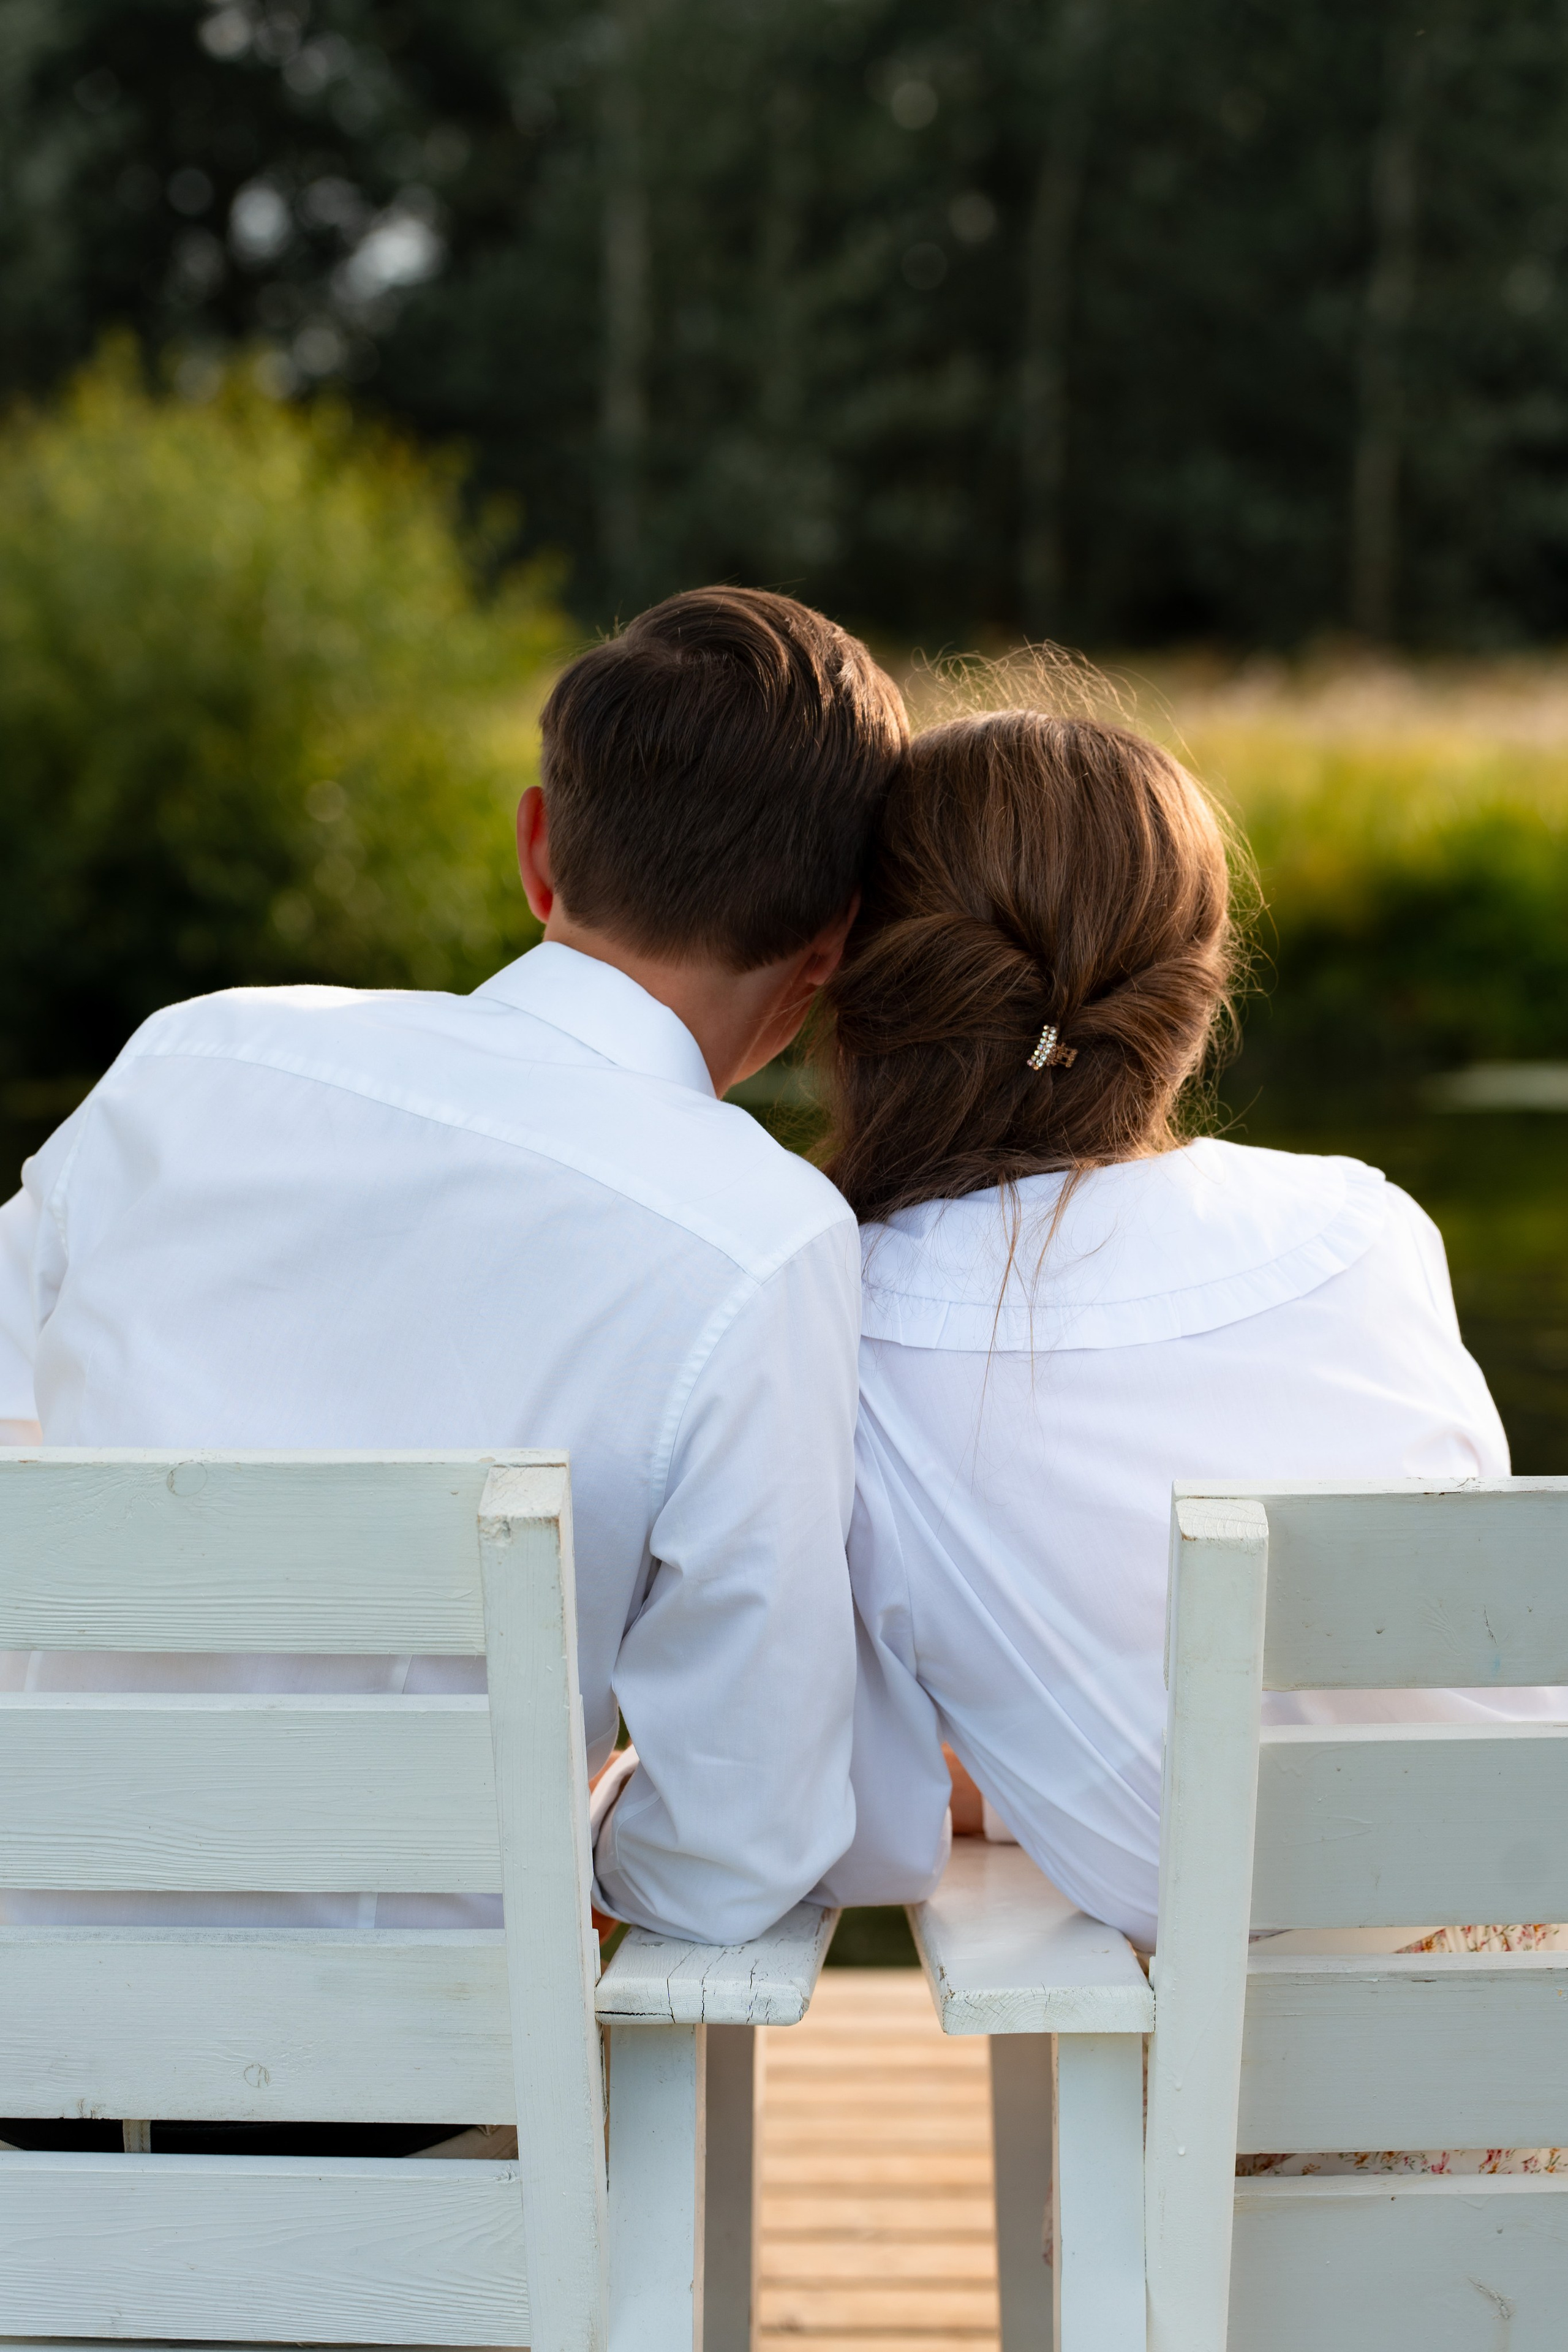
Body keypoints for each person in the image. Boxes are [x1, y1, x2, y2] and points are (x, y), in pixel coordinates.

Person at [0, 585, 908, 1959]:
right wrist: (597, 1826)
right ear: (832, 946)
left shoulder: (193, 1059)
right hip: (415, 2116)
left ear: (539, 849)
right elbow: (738, 1852)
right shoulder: (760, 1242)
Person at [813, 704, 1567, 1969]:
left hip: (1307, 2093)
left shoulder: (851, 1326)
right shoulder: (1361, 1229)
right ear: (1194, 993)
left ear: (858, 980)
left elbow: (860, 1822)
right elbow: (1415, 1697)